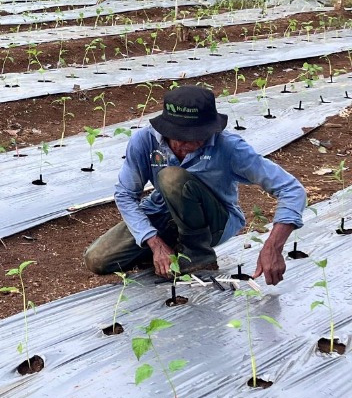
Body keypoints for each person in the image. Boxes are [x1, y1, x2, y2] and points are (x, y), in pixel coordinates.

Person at [83, 85, 304, 285]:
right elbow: (125, 194)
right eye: (181, 135)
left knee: (171, 178)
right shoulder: (144, 141)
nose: (189, 143)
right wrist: (155, 244)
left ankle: (198, 256)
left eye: (198, 136)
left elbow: (291, 189)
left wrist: (273, 246)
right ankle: (169, 250)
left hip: (213, 221)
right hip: (162, 213)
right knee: (98, 260)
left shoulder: (229, 147)